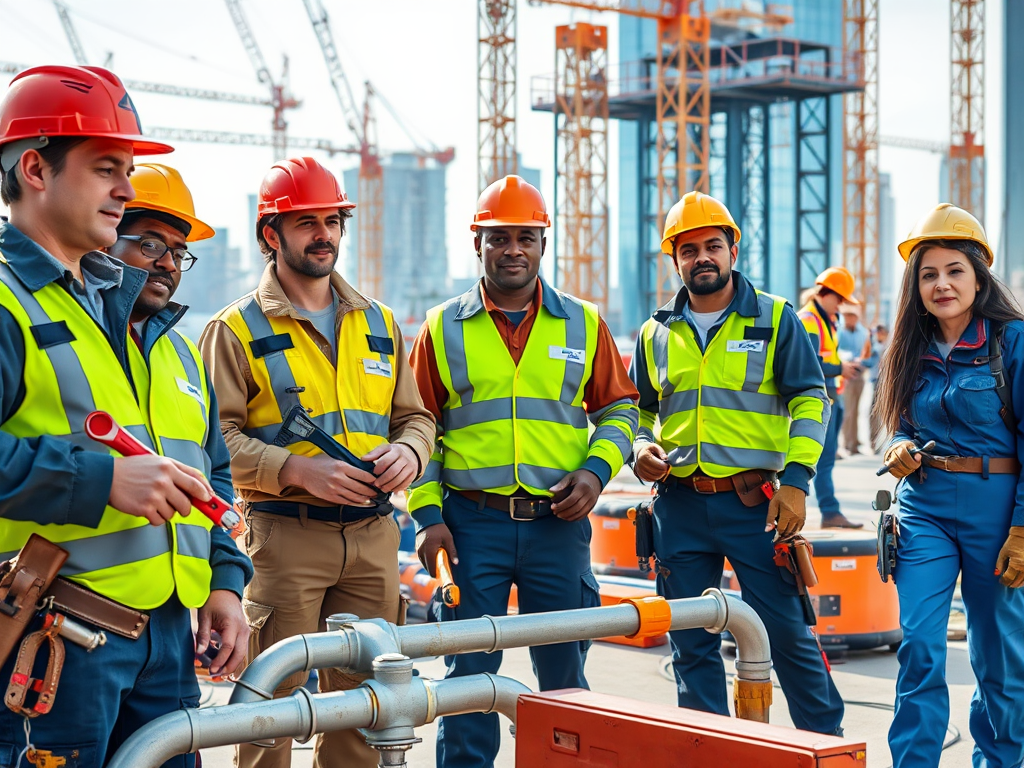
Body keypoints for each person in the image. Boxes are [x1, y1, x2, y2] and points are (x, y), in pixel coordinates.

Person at [0, 66, 250, 765]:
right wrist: (101, 480)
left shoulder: (130, 320)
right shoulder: (9, 303)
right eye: (107, 167)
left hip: (168, 645)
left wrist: (225, 584)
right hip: (59, 645)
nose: (126, 190)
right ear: (35, 170)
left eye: (129, 170)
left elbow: (211, 471)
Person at [199, 156, 435, 768]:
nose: (324, 234)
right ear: (270, 235)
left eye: (332, 220)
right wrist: (297, 469)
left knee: (367, 707)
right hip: (284, 539)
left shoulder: (380, 322)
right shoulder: (234, 329)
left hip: (375, 537)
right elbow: (210, 443)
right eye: (306, 222)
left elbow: (416, 417)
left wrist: (409, 451)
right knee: (268, 714)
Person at [408, 175, 639, 768]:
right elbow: (417, 429)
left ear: (543, 243)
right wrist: (428, 517)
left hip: (557, 527)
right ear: (477, 243)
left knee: (565, 677)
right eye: (499, 237)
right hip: (470, 527)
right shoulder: (442, 328)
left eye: (526, 237)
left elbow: (620, 410)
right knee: (468, 682)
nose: (513, 249)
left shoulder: (585, 324)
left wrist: (595, 470)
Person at [630, 191, 844, 736]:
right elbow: (637, 412)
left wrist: (797, 482)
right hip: (677, 507)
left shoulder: (776, 318)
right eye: (689, 249)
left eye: (712, 246)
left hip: (758, 507)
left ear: (732, 250)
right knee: (690, 642)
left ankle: (826, 745)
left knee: (789, 634)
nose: (702, 258)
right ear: (674, 259)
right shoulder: (655, 332)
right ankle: (711, 747)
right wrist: (640, 448)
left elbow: (811, 400)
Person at [876, 203, 1024, 768]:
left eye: (954, 271)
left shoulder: (1012, 343)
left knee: (999, 658)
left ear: (979, 276)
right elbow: (902, 425)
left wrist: (1022, 528)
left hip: (998, 511)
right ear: (915, 285)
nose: (942, 284)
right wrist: (896, 446)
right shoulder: (909, 347)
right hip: (925, 509)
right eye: (928, 273)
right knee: (918, 646)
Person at [798, 268, 864, 528]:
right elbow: (808, 362)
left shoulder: (825, 319)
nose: (841, 306)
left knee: (826, 459)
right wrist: (840, 369)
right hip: (818, 400)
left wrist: (840, 368)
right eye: (840, 300)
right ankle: (829, 511)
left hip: (830, 397)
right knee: (822, 461)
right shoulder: (809, 319)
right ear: (826, 294)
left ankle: (829, 511)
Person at [838, 303, 869, 455]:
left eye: (852, 316)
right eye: (847, 316)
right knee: (848, 411)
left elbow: (868, 352)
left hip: (860, 374)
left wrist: (861, 360)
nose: (849, 319)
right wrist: (850, 358)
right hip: (847, 375)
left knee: (857, 410)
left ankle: (855, 443)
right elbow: (838, 350)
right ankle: (847, 443)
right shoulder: (840, 332)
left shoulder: (863, 333)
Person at [866, 323, 889, 453]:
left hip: (887, 381)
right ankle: (874, 442)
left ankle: (882, 441)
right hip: (876, 381)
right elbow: (867, 361)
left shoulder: (889, 346)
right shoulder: (874, 347)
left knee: (884, 413)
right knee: (874, 412)